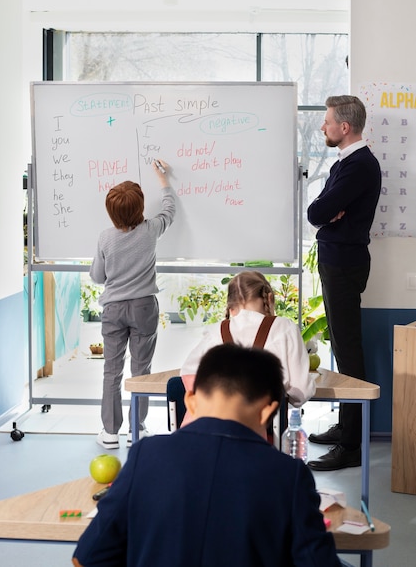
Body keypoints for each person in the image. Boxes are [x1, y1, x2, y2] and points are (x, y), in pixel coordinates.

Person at [72, 344, 341, 567]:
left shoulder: (147, 455)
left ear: (190, 400)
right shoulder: (288, 475)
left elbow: (87, 557)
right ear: (267, 410)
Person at [307, 95, 381, 471]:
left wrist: (326, 213)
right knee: (341, 346)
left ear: (344, 127)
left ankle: (352, 444)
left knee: (348, 352)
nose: (323, 126)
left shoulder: (358, 166)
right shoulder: (347, 164)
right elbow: (320, 211)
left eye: (327, 121)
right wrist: (325, 212)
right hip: (338, 260)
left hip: (344, 263)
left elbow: (317, 211)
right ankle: (346, 427)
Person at [90, 160, 175, 450]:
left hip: (113, 310)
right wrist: (163, 180)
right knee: (142, 370)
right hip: (143, 307)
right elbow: (169, 211)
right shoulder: (151, 229)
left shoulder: (105, 237)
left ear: (111, 213)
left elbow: (98, 276)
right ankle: (136, 428)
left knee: (111, 371)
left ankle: (110, 432)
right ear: (140, 209)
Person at [180, 271, 316, 424]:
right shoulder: (285, 328)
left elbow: (187, 373)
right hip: (263, 431)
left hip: (209, 428)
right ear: (269, 298)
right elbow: (301, 392)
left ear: (230, 308)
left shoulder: (214, 331)